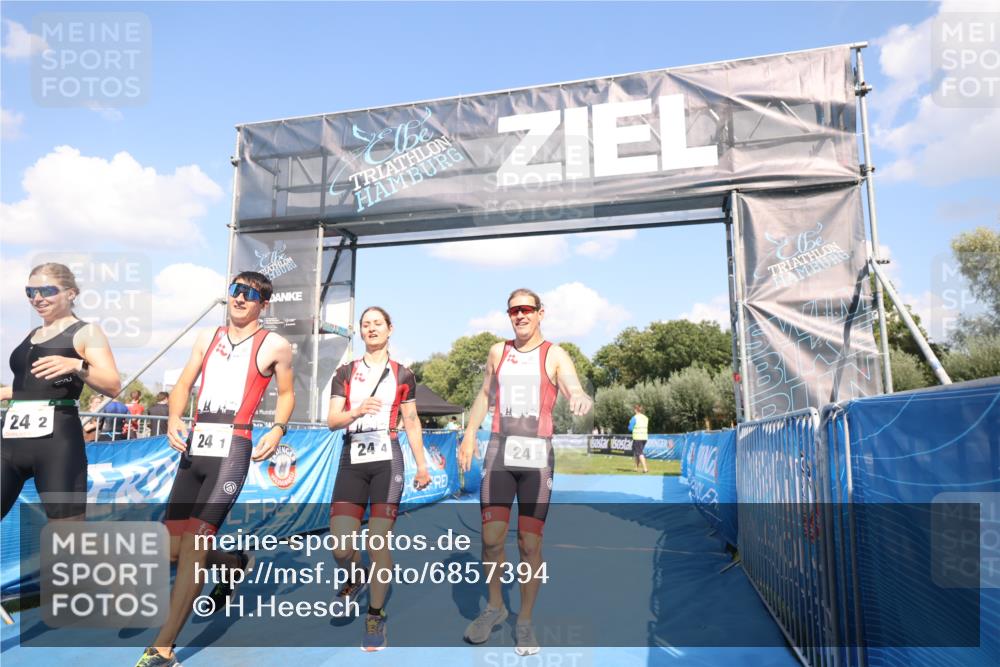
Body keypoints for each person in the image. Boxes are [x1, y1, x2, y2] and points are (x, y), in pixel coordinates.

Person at [135, 271, 294, 667]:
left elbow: (288, 393)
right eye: (235, 291)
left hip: (233, 449)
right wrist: (174, 417)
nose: (239, 299)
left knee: (193, 545)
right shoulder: (207, 337)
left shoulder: (275, 344)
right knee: (169, 548)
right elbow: (184, 383)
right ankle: (233, 562)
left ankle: (163, 649)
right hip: (196, 447)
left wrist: (277, 428)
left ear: (264, 304)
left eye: (250, 294)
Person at [458, 288, 593, 656]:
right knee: (491, 539)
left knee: (529, 543)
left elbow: (571, 385)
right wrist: (470, 434)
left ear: (540, 313)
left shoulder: (555, 354)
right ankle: (495, 606)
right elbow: (485, 395)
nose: (520, 316)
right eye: (513, 311)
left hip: (536, 456)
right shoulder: (497, 352)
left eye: (526, 310)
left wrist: (578, 396)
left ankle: (525, 620)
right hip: (500, 452)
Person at [327, 306, 431, 652]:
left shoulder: (404, 375)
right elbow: (331, 420)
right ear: (360, 332)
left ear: (390, 329)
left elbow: (412, 421)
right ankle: (355, 577)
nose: (371, 329)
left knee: (377, 541)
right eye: (365, 324)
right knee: (341, 547)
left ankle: (375, 615)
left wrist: (422, 465)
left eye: (377, 324)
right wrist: (355, 411)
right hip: (352, 457)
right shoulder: (345, 372)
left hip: (388, 460)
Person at [1, 262, 121, 521]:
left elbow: (112, 384)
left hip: (56, 445)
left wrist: (76, 365)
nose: (37, 298)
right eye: (30, 292)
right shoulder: (34, 333)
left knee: (67, 536)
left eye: (46, 290)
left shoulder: (86, 332)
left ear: (71, 293)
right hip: (10, 442)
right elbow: (34, 386)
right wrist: (5, 392)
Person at [629, 404, 650, 474]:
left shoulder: (634, 418)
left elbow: (630, 428)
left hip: (637, 437)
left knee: (640, 453)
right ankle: (636, 468)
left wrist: (630, 425)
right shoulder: (645, 417)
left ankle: (645, 469)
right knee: (637, 452)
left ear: (635, 410)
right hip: (644, 437)